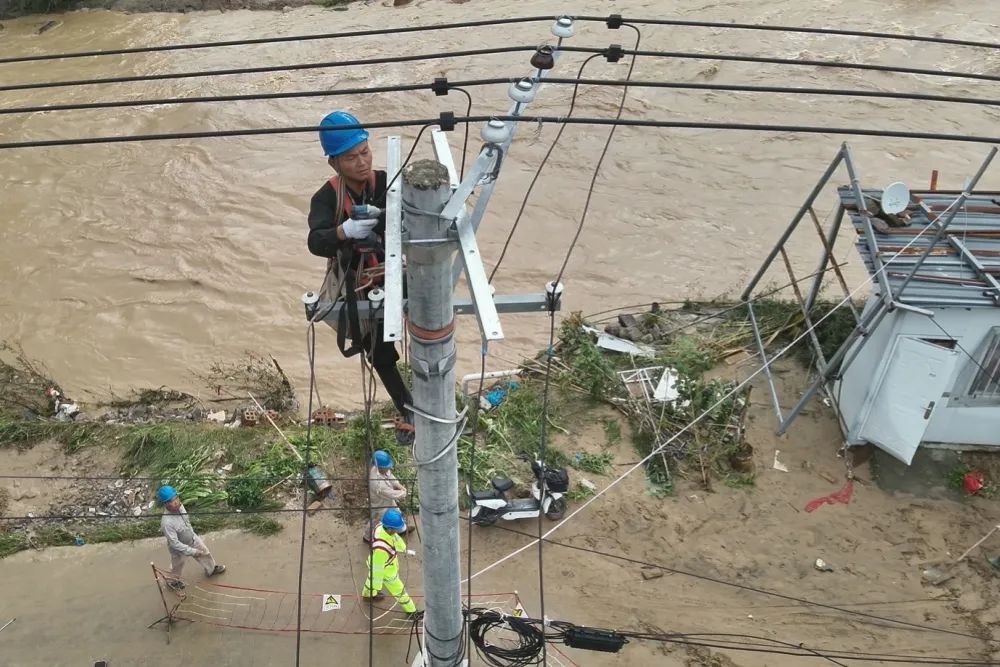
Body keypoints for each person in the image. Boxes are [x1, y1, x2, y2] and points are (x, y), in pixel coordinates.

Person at [307, 110, 414, 444]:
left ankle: (431, 397)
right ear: (334, 163)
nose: (362, 162)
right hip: (358, 282)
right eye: (351, 157)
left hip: (395, 268)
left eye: (365, 152)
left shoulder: (386, 184)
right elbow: (315, 241)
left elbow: (413, 216)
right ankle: (409, 410)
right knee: (378, 352)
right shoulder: (326, 198)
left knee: (430, 328)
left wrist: (385, 221)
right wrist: (344, 230)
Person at [158, 485, 225, 591]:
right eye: (171, 501)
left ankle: (211, 569)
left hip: (191, 537)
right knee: (177, 566)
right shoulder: (167, 523)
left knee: (205, 552)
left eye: (176, 498)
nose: (176, 502)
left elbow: (187, 521)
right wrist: (192, 552)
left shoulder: (180, 507)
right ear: (165, 504)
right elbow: (175, 543)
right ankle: (172, 582)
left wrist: (193, 534)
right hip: (178, 549)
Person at [361, 508, 418, 618]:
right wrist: (377, 586)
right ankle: (412, 612)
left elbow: (394, 539)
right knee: (400, 592)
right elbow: (377, 570)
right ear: (391, 529)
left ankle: (368, 595)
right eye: (397, 529)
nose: (398, 531)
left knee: (370, 581)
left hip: (377, 562)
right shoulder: (381, 550)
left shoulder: (380, 528)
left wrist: (403, 549)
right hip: (387, 571)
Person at [364, 449, 408, 542]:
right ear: (379, 467)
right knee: (376, 521)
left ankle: (401, 529)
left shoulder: (382, 469)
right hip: (380, 504)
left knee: (397, 513)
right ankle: (367, 538)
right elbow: (392, 494)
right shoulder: (377, 483)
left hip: (387, 500)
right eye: (387, 467)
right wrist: (404, 492)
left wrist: (399, 486)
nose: (389, 469)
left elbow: (390, 476)